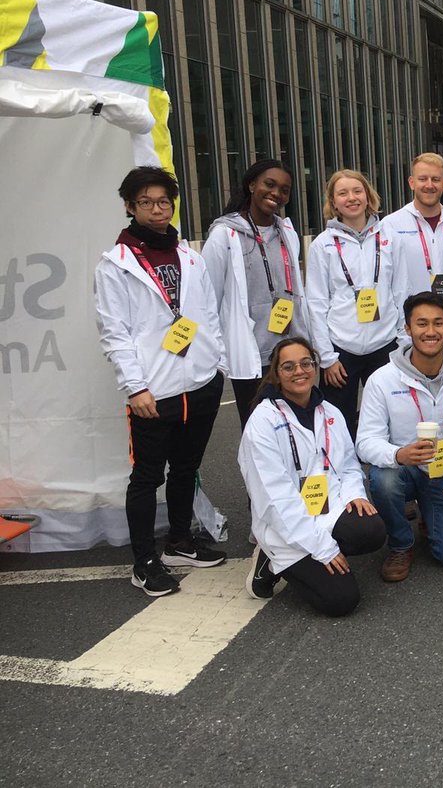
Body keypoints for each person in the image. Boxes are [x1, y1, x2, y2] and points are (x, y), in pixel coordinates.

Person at [94, 166, 228, 596]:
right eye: (146, 202)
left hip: (200, 382)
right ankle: (144, 562)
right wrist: (135, 388)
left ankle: (179, 542)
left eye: (164, 202)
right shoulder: (115, 265)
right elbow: (114, 333)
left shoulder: (189, 256)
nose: (157, 210)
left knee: (187, 468)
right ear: (130, 207)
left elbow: (208, 314)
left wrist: (217, 363)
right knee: (147, 476)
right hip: (154, 390)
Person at [356, 292, 443, 582]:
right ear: (407, 329)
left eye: (438, 323)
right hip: (404, 470)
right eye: (421, 324)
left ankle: (430, 516)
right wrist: (398, 455)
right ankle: (400, 543)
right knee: (383, 479)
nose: (430, 331)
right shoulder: (382, 379)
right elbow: (366, 441)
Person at [240, 338, 386, 617]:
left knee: (371, 530)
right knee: (342, 600)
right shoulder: (263, 422)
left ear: (315, 367)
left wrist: (355, 495)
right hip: (284, 524)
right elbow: (275, 500)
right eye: (289, 366)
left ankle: (315, 561)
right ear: (276, 373)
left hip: (327, 510)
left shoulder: (330, 412)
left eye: (306, 363)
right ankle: (270, 562)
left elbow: (348, 465)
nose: (299, 371)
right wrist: (324, 549)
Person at [202, 159, 308, 428]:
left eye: (284, 190)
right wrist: (215, 353)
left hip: (291, 351)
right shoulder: (224, 235)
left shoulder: (287, 232)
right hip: (253, 355)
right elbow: (208, 298)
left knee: (298, 429)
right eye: (269, 184)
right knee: (260, 432)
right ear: (251, 185)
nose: (276, 193)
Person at [305, 169, 407, 439]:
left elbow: (401, 292)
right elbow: (316, 303)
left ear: (368, 196)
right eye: (343, 193)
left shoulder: (390, 237)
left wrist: (403, 344)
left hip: (385, 344)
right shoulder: (322, 245)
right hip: (341, 350)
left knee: (390, 422)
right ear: (333, 202)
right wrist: (327, 358)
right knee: (339, 426)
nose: (351, 198)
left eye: (357, 191)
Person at [382, 152, 443, 355]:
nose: (429, 185)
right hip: (410, 338)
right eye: (423, 179)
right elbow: (386, 283)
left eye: (435, 179)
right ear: (411, 182)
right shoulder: (390, 226)